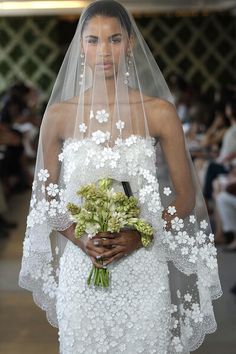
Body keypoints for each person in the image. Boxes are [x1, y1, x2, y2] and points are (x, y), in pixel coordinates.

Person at [19, 1, 222, 353]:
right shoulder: (58, 116)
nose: (104, 51)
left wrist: (141, 235)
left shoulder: (159, 113)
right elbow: (46, 200)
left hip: (144, 270)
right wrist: (80, 237)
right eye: (94, 40)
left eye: (114, 39)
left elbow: (186, 198)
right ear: (81, 46)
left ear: (129, 43)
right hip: (82, 272)